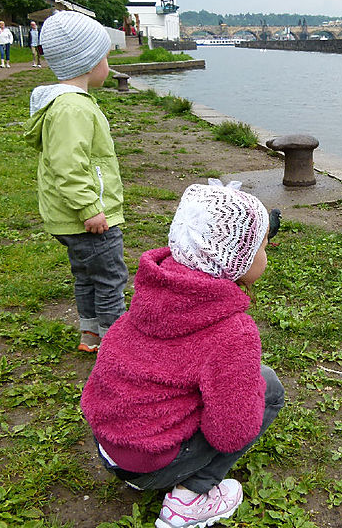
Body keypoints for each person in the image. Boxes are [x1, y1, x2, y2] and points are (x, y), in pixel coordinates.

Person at [81, 180, 285, 528]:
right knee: (269, 388)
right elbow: (231, 434)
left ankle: (145, 468)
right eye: (264, 248)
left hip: (109, 449)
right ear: (236, 259)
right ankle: (191, 498)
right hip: (151, 462)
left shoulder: (153, 295)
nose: (266, 256)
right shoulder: (232, 331)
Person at [22, 11, 126, 353]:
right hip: (89, 219)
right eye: (106, 56)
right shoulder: (73, 109)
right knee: (110, 279)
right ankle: (117, 349)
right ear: (90, 61)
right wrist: (90, 208)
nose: (108, 63)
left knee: (87, 277)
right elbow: (69, 165)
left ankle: (91, 335)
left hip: (72, 217)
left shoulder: (65, 104)